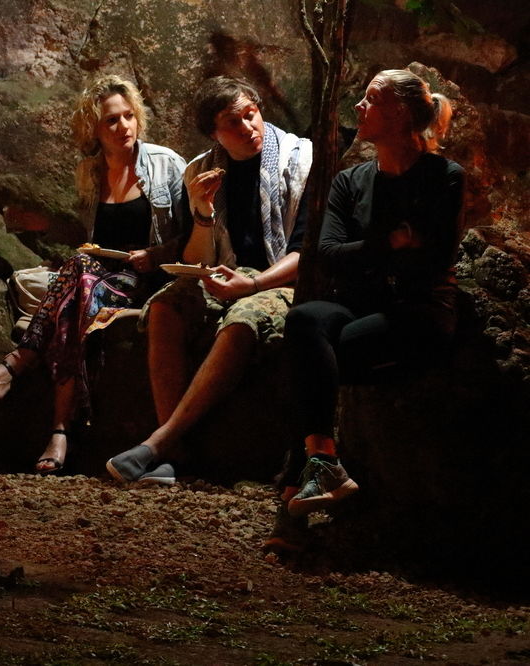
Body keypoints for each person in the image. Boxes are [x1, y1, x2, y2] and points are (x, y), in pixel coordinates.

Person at [269, 69, 463, 550]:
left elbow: (431, 260)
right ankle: (323, 463)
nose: (359, 106)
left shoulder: (443, 177)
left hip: (419, 312)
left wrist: (372, 252)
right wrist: (391, 243)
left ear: (400, 112)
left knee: (312, 361)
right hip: (359, 304)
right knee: (303, 321)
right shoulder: (351, 181)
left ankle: (295, 498)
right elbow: (327, 254)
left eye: (371, 99)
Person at [0, 74, 192, 474]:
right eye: (111, 120)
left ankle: (18, 364)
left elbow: (193, 235)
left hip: (146, 279)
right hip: (97, 278)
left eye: (128, 116)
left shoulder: (165, 164)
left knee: (79, 273)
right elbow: (90, 238)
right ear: (94, 129)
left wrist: (155, 254)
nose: (123, 126)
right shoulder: (90, 173)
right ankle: (60, 429)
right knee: (77, 286)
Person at [105, 76, 312, 486]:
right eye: (233, 123)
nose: (248, 127)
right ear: (214, 132)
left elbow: (307, 252)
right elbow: (195, 259)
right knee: (165, 304)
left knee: (245, 315)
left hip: (280, 280)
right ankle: (174, 458)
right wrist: (202, 211)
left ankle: (159, 443)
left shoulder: (300, 162)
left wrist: (252, 286)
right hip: (226, 272)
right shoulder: (202, 170)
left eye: (251, 114)